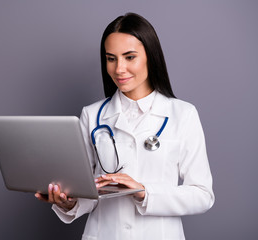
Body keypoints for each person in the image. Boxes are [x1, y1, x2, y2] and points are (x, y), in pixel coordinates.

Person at [35, 12, 214, 239]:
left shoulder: (183, 114)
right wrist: (68, 202)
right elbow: (87, 191)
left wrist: (144, 193)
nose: (119, 69)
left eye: (130, 57)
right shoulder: (92, 115)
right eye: (111, 58)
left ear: (151, 56)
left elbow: (202, 195)